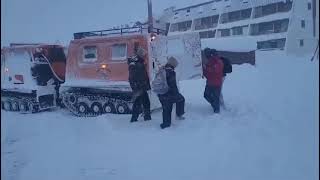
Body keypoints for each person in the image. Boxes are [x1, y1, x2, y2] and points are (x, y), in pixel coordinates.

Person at [158, 57, 185, 129]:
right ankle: (168, 123)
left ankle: (166, 123)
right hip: (167, 94)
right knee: (181, 99)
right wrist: (177, 95)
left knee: (166, 108)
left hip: (160, 93)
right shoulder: (171, 72)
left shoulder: (162, 70)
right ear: (173, 65)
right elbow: (173, 85)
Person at [128, 47, 151, 122]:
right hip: (139, 87)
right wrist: (136, 87)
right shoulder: (134, 64)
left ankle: (143, 118)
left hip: (142, 86)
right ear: (140, 54)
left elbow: (143, 75)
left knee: (143, 103)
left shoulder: (140, 62)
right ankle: (137, 119)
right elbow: (131, 77)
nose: (144, 56)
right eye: (143, 54)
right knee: (141, 103)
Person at [203, 48, 224, 113]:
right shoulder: (209, 61)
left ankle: (217, 111)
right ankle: (214, 105)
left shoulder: (219, 62)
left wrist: (206, 68)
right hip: (209, 82)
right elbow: (207, 73)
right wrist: (203, 70)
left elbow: (215, 70)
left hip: (217, 83)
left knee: (216, 97)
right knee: (206, 95)